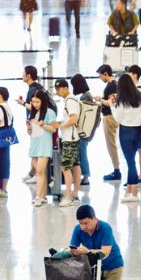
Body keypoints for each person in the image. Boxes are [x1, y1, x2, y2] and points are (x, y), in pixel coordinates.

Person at [106, 73, 141, 203]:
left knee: (130, 162)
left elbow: (118, 118)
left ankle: (134, 192)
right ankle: (129, 190)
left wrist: (112, 104)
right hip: (139, 130)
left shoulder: (123, 101)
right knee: (132, 161)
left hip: (126, 131)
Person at [53, 79, 82, 207]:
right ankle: (74, 193)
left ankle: (69, 196)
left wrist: (61, 125)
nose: (57, 92)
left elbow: (74, 118)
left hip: (70, 138)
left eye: (59, 89)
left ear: (65, 88)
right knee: (75, 165)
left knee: (65, 167)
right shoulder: (71, 99)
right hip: (73, 137)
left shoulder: (70, 100)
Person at [25, 90, 57, 208]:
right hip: (34, 145)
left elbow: (54, 129)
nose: (35, 104)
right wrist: (29, 128)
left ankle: (38, 196)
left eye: (37, 102)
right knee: (41, 173)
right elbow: (31, 133)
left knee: (39, 172)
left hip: (44, 146)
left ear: (43, 101)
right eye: (33, 102)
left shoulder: (50, 113)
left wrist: (43, 125)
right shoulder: (32, 113)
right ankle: (42, 196)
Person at [95, 65, 123, 182]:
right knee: (111, 143)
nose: (100, 78)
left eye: (100, 75)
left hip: (110, 117)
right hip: (112, 116)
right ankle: (116, 169)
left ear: (106, 74)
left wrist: (99, 100)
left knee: (110, 144)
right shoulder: (114, 85)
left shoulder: (112, 86)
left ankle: (116, 170)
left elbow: (111, 102)